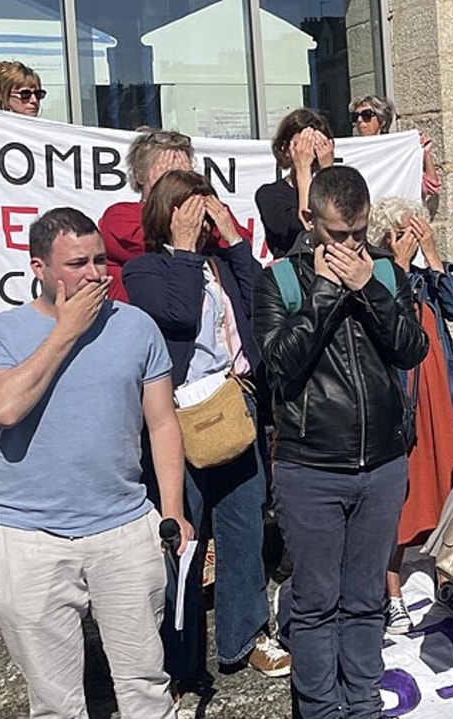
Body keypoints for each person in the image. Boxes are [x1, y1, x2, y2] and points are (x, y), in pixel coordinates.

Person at [0, 207, 192, 718]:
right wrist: (66, 332)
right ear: (39, 268)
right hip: (32, 538)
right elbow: (4, 408)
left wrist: (173, 510)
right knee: (55, 704)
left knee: (146, 687)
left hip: (124, 530)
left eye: (99, 260)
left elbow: (161, 424)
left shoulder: (136, 327)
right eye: (76, 264)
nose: (95, 274)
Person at [252, 165, 427, 719]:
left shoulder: (383, 276)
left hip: (380, 463)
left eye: (357, 235)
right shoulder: (279, 279)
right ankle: (321, 708)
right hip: (312, 466)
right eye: (336, 236)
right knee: (316, 601)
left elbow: (411, 349)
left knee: (365, 598)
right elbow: (280, 362)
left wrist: (370, 289)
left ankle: (363, 703)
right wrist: (328, 294)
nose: (349, 247)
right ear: (309, 221)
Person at [122, 171, 290, 682]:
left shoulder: (218, 262)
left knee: (243, 528)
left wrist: (234, 239)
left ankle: (245, 636)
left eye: (205, 204)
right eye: (190, 205)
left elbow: (261, 296)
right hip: (178, 417)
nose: (200, 214)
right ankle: (180, 659)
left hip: (231, 405)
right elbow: (177, 317)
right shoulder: (144, 269)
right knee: (184, 539)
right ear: (167, 214)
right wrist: (184, 250)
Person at [366, 196, 453, 632]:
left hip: (444, 393)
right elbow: (383, 320)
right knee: (404, 496)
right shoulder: (377, 276)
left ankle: (447, 580)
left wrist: (432, 256)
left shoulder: (428, 277)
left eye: (415, 229)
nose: (411, 238)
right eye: (402, 232)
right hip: (405, 399)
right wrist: (395, 262)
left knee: (452, 489)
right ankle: (390, 592)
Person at [99, 128, 251, 303]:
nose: (177, 183)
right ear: (140, 176)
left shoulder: (210, 210)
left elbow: (238, 245)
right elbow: (154, 244)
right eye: (169, 175)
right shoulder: (120, 216)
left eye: (184, 175)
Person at [256, 109, 335, 259]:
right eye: (303, 146)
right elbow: (305, 227)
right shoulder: (269, 194)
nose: (309, 153)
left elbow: (339, 220)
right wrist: (303, 169)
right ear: (286, 149)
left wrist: (328, 171)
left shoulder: (342, 186)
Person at [349, 95, 442, 200]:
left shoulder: (398, 152)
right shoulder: (351, 153)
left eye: (367, 115)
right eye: (355, 116)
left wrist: (426, 153)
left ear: (382, 121)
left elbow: (432, 188)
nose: (360, 120)